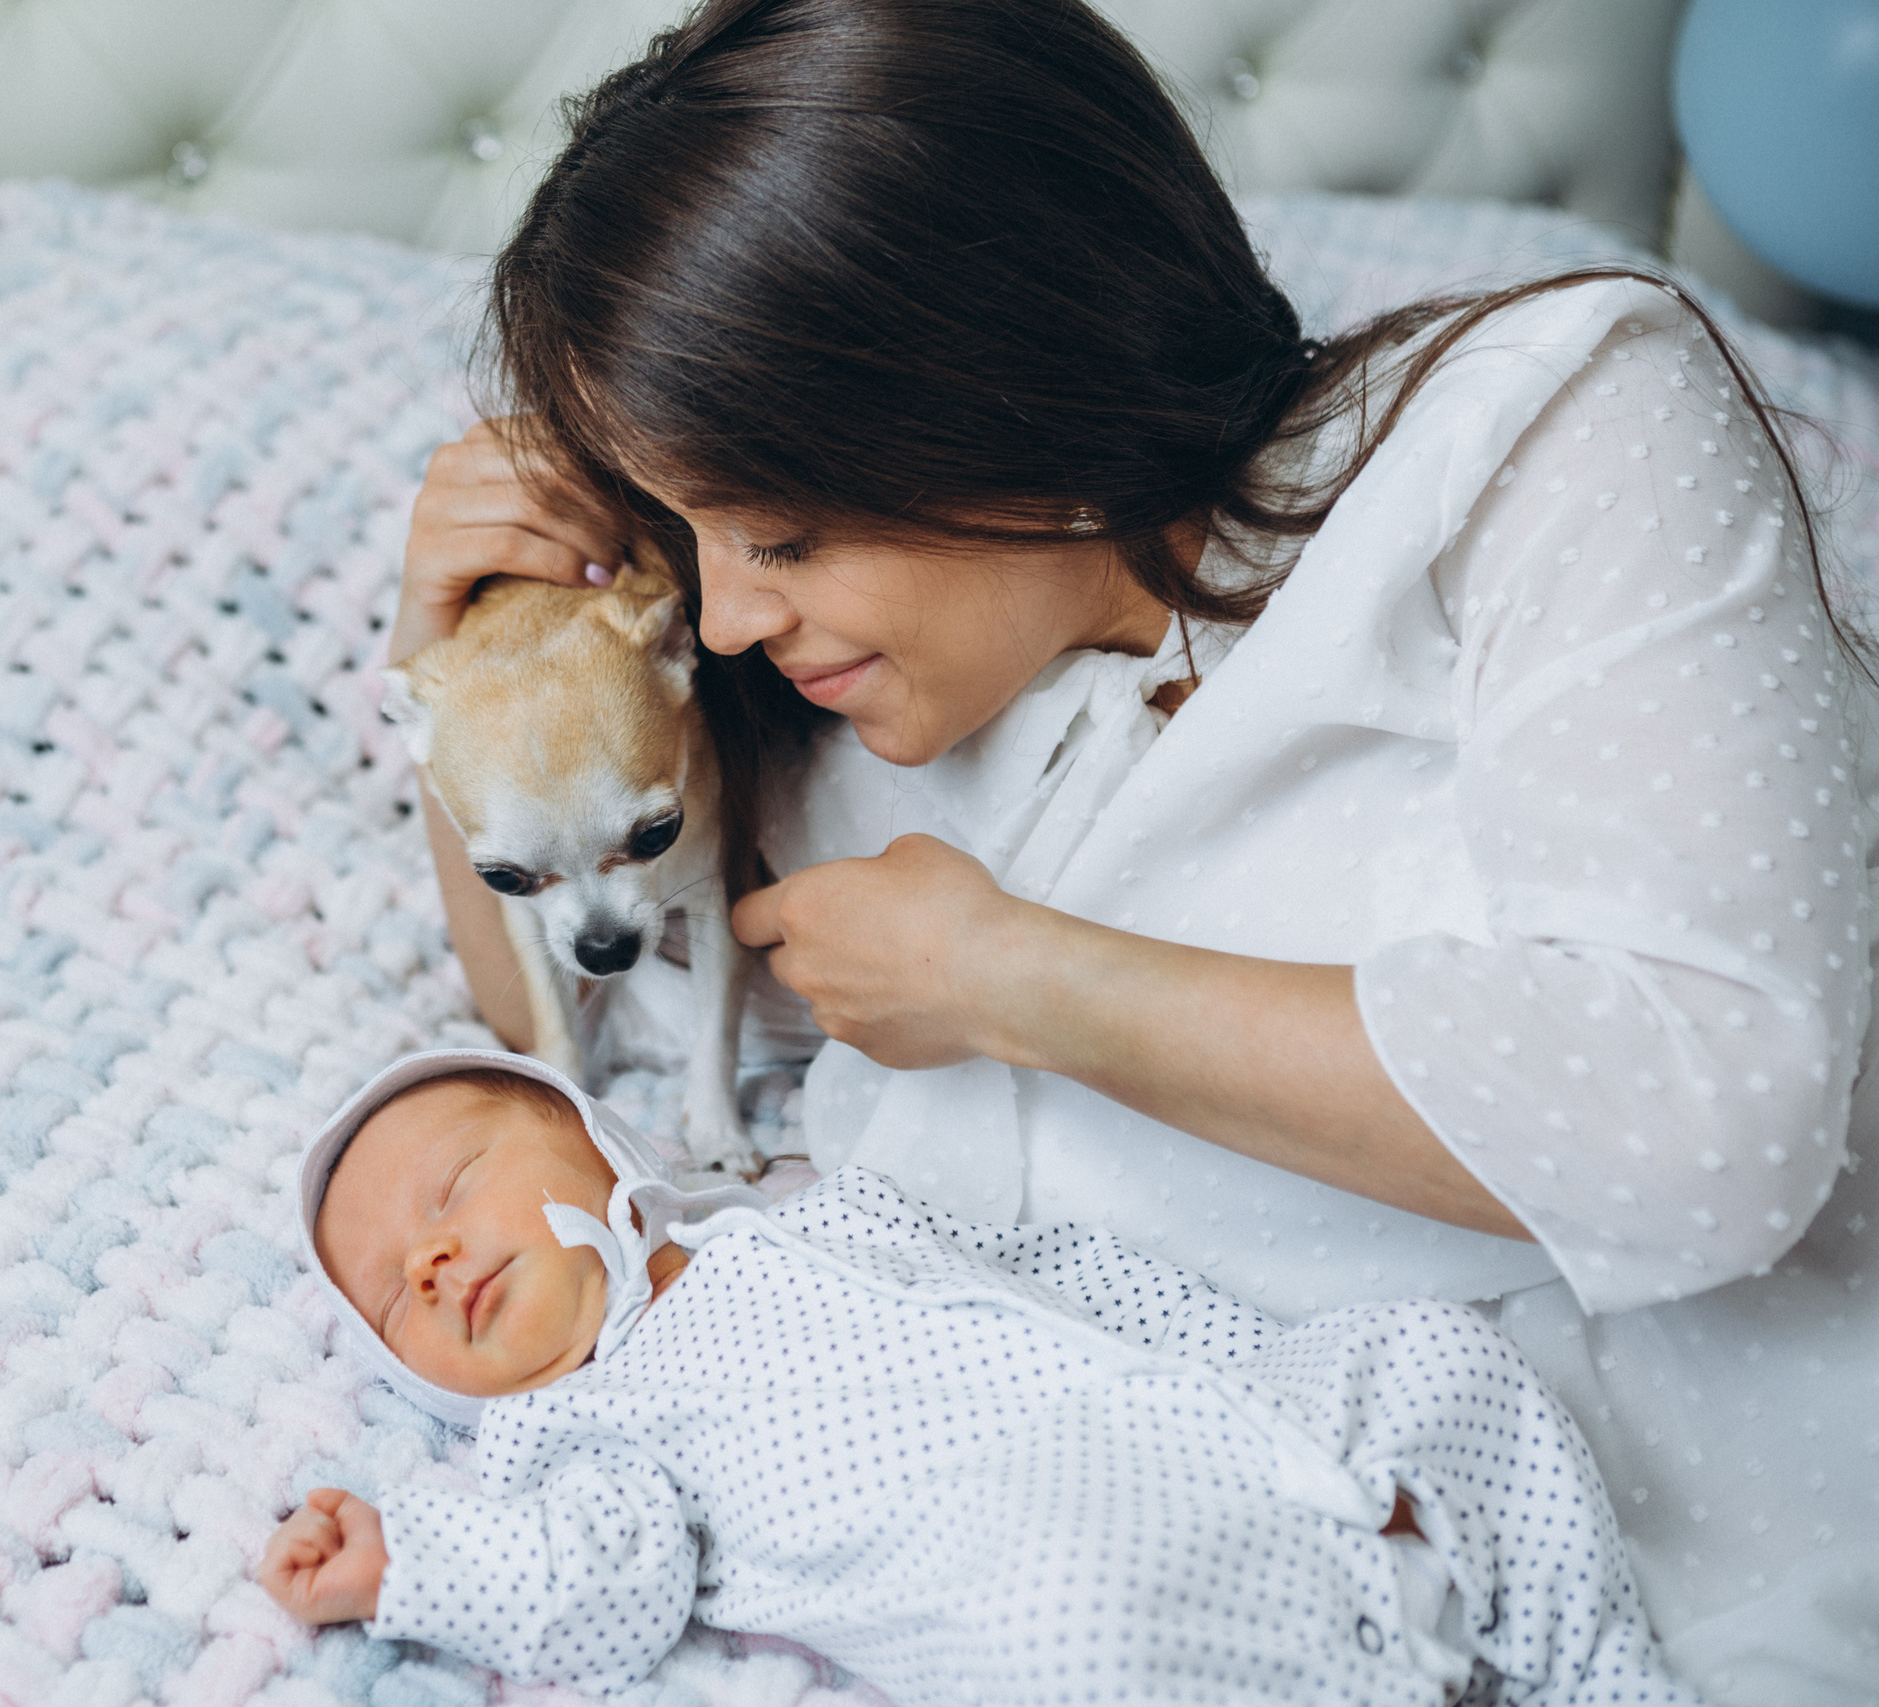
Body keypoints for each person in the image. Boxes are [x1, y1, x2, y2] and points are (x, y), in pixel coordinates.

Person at [391, 3, 1879, 1700]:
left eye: (781, 527)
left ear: (997, 372)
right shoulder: (846, 730)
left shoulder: (1537, 433)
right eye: (695, 538)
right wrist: (463, 663)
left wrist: (1022, 983)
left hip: (1744, 1559)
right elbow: (549, 1026)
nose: (728, 614)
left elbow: (1715, 1124)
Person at [260, 1049, 1696, 1706]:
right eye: (398, 1292)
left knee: (1434, 1349)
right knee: (1064, 1615)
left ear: (603, 1149)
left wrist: (1260, 1375)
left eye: (452, 1189)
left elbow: (1060, 1276)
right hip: (1042, 1563)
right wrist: (410, 1562)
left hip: (1221, 1436)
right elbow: (603, 1588)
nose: (436, 1262)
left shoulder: (823, 1209)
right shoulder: (571, 1434)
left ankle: (1592, 1671)